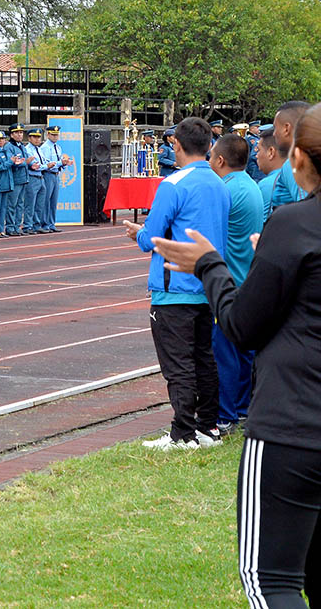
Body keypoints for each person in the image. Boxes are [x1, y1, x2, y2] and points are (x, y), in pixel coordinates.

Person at [150, 102, 321, 608]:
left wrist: (209, 265)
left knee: (271, 579)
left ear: (299, 160)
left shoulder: (295, 224)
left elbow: (243, 326)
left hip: (296, 422)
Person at [124, 116, 230, 450]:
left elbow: (150, 237)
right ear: (209, 145)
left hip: (174, 288)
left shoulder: (173, 184)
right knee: (203, 358)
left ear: (176, 145)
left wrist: (137, 232)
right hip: (208, 285)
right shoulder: (219, 184)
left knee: (179, 364)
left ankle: (182, 432)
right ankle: (207, 426)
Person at [207, 134, 263, 436]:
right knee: (243, 352)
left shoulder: (224, 190)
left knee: (224, 353)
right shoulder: (251, 186)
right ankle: (240, 410)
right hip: (246, 279)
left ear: (220, 160)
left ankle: (225, 414)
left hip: (228, 284)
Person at [270, 101, 310, 210]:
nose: (274, 134)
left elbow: (308, 212)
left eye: (275, 128)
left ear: (286, 128)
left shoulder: (297, 161)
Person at [39, 125, 69, 233]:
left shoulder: (58, 147)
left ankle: (51, 223)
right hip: (48, 174)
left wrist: (64, 164)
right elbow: (47, 163)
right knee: (46, 200)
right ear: (48, 135)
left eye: (57, 135)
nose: (55, 137)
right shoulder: (45, 147)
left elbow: (59, 161)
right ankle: (45, 224)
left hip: (56, 174)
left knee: (53, 201)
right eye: (53, 135)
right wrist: (60, 163)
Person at [254, 124, 285, 222]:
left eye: (258, 150)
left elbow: (262, 227)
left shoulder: (268, 185)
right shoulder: (293, 176)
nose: (256, 156)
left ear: (271, 152)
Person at [3, 123, 29, 236]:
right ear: (12, 134)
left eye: (21, 132)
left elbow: (26, 159)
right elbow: (13, 162)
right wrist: (24, 162)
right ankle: (10, 227)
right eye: (17, 133)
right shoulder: (9, 146)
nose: (19, 135)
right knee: (12, 204)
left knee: (20, 204)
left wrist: (24, 162)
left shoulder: (22, 146)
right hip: (15, 178)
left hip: (23, 178)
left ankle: (17, 226)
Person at [22, 127, 46, 234]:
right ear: (29, 138)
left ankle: (37, 224)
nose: (37, 139)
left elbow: (44, 162)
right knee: (30, 204)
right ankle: (27, 225)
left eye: (38, 137)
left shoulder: (39, 149)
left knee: (39, 204)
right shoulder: (28, 149)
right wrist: (45, 166)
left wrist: (45, 166)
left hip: (41, 177)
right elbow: (33, 166)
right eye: (34, 137)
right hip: (32, 177)